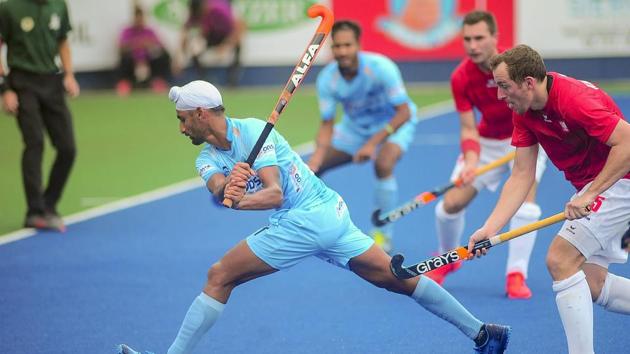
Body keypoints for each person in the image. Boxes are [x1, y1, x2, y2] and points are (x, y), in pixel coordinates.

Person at [118, 80, 511, 354]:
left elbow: (272, 193)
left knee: (220, 275)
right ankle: (483, 334)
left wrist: (237, 200)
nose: (181, 127)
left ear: (201, 113)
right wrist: (229, 189)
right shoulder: (206, 156)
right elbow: (219, 190)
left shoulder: (256, 131)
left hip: (306, 216)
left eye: (183, 118)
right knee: (396, 279)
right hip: (329, 214)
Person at [468, 44, 630, 353]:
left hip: (620, 181)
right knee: (590, 283)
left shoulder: (574, 100)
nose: (499, 95)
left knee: (560, 259)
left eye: (504, 86)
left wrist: (592, 193)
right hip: (598, 186)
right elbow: (521, 175)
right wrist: (491, 228)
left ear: (529, 82)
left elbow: (628, 142)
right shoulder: (524, 111)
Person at [425, 11, 547, 300]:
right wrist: (469, 160)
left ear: (495, 38)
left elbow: (539, 102)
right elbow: (468, 128)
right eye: (467, 39)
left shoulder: (515, 67)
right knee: (449, 205)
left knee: (526, 204)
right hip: (488, 142)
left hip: (527, 137)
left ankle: (516, 274)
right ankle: (449, 257)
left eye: (479, 38)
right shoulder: (460, 77)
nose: (473, 45)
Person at [307, 20, 418, 254]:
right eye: (337, 46)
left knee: (383, 163)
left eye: (348, 45)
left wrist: (371, 144)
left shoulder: (381, 67)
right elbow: (327, 124)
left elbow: (404, 111)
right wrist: (317, 157)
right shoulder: (327, 79)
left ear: (358, 45)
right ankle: (310, 227)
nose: (342, 51)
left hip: (394, 124)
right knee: (311, 171)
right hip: (354, 128)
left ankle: (382, 234)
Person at [0, 0, 79, 232]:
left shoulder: (59, 5)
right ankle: (34, 212)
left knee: (67, 147)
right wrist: (5, 89)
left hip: (52, 81)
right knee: (34, 142)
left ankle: (49, 204)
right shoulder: (9, 8)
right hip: (23, 82)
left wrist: (69, 74)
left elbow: (63, 41)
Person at [177, 0, 244, 87]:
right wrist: (179, 58)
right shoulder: (195, 11)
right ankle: (203, 80)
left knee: (238, 47)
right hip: (210, 36)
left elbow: (239, 28)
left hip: (226, 36)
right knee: (195, 49)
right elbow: (185, 32)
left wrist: (226, 45)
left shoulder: (219, 9)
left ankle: (232, 82)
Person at [115, 5, 171, 97]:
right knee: (124, 60)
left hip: (149, 62)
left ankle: (158, 82)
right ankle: (124, 83)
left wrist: (149, 45)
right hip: (133, 62)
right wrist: (134, 45)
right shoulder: (127, 31)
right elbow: (121, 48)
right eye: (137, 18)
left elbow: (160, 46)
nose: (139, 20)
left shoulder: (149, 31)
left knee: (163, 57)